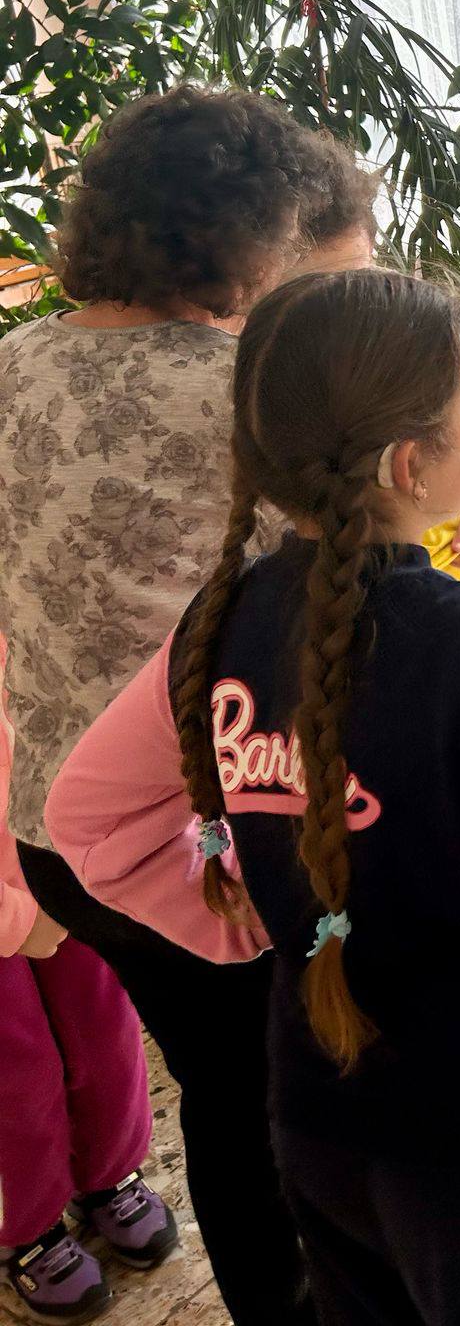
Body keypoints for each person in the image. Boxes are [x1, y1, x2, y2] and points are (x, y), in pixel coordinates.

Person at [47, 268, 460, 1326]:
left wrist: (247, 919)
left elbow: (89, 819)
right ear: (410, 462)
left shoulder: (221, 623)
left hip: (320, 1119)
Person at [0, 86, 333, 1324]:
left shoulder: (11, 362)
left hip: (54, 827)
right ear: (240, 233)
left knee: (216, 1080)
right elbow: (340, 592)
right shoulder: (250, 386)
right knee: (264, 1107)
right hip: (199, 844)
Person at [0, 636, 177, 1323]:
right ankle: (24, 1226)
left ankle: (108, 1171)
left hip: (61, 852)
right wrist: (18, 918)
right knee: (15, 1071)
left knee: (100, 1020)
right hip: (19, 898)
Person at [295, 149, 460, 580]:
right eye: (313, 293)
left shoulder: (414, 326)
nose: (343, 307)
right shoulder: (274, 372)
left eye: (359, 280)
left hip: (447, 575)